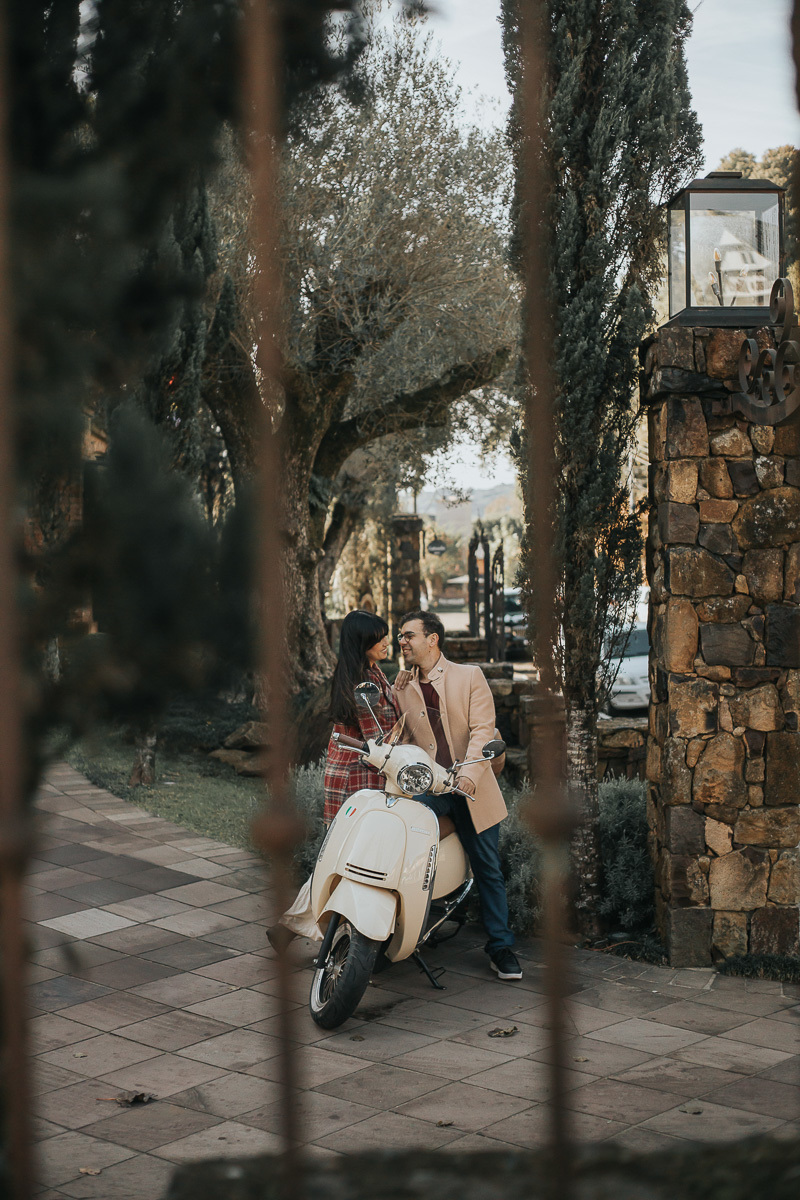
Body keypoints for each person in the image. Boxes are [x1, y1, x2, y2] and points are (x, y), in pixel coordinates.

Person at [393, 610, 522, 981]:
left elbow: (483, 730)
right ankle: (401, 929)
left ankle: (500, 947)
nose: (402, 641)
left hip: (472, 788)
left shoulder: (469, 676)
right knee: (404, 842)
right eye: (400, 636)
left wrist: (467, 775)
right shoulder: (403, 686)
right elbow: (405, 737)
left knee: (488, 868)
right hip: (433, 789)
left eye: (408, 635)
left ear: (432, 639)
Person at [267, 610, 399, 949]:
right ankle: (309, 929)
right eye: (379, 637)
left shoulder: (367, 671)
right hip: (357, 778)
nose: (387, 642)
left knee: (344, 856)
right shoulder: (364, 684)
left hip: (354, 773)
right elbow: (378, 740)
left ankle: (292, 926)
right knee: (346, 857)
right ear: (362, 643)